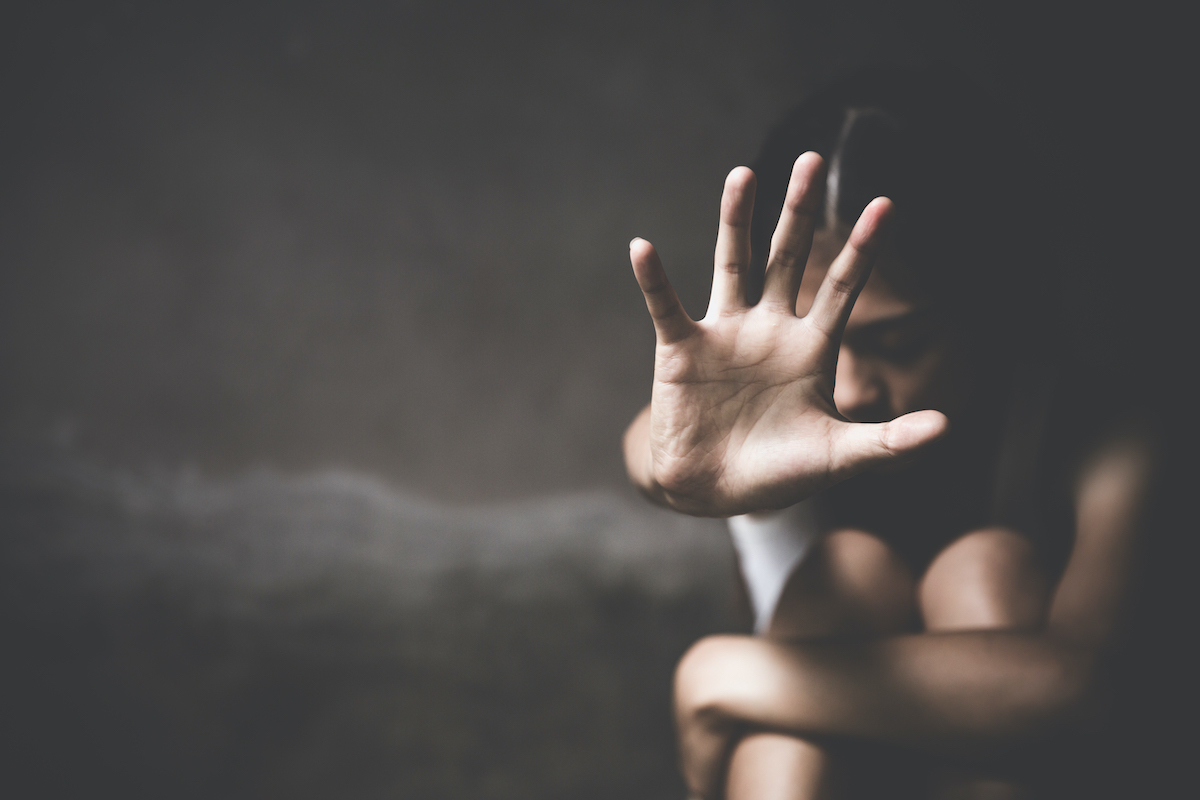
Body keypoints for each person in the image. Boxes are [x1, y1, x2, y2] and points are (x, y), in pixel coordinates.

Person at [622, 68, 1160, 799]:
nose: (849, 390)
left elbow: (1086, 700)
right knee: (849, 573)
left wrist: (727, 675)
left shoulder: (1098, 439)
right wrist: (677, 469)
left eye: (901, 344)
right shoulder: (759, 420)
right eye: (817, 344)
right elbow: (653, 451)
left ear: (993, 304)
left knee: (986, 568)